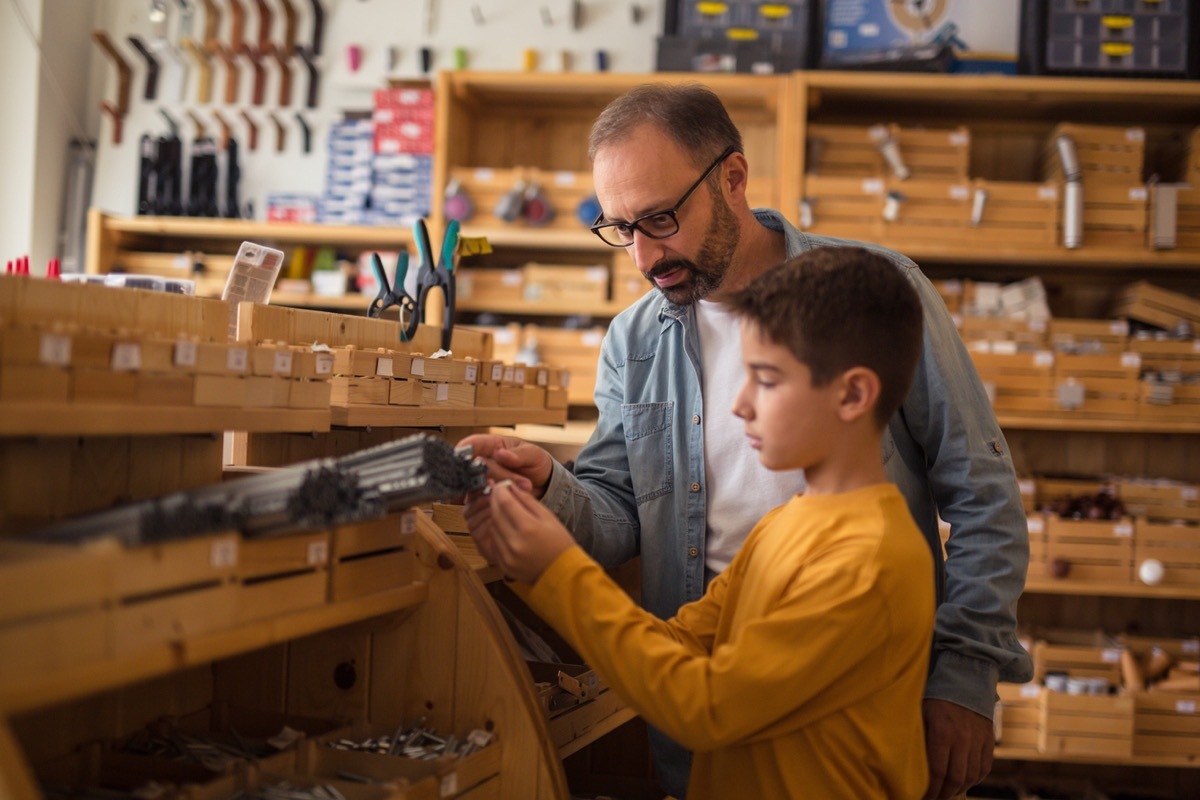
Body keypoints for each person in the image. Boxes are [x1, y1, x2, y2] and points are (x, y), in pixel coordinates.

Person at [461, 82, 1033, 800]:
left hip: (840, 708)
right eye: (620, 228)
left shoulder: (869, 296)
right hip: (699, 695)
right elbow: (620, 515)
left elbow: (982, 494)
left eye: (661, 218)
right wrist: (550, 487)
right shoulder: (634, 339)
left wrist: (965, 676)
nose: (642, 257)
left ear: (731, 178)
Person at [470, 248, 935, 799]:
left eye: (765, 379)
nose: (738, 405)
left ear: (853, 394)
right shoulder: (787, 523)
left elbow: (705, 706)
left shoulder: (869, 560)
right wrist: (535, 525)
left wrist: (557, 570)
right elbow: (678, 642)